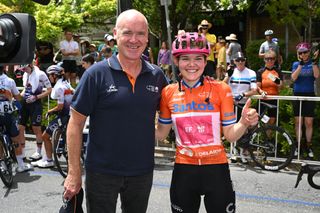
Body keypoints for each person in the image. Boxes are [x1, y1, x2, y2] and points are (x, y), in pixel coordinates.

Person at [63, 9, 168, 213]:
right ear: (115, 34)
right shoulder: (95, 74)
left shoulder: (157, 76)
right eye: (127, 33)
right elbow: (74, 125)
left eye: (140, 33)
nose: (134, 40)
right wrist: (74, 172)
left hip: (142, 171)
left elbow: (175, 112)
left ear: (147, 37)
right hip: (101, 172)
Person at [156, 32, 259, 213]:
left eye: (198, 58)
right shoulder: (168, 93)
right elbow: (161, 134)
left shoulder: (221, 89)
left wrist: (243, 122)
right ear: (176, 61)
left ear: (205, 61)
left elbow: (230, 135)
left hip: (216, 169)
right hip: (184, 169)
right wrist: (138, 119)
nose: (192, 64)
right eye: (185, 58)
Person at [31, 65, 74, 168]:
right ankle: (47, 156)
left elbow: (60, 106)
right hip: (69, 115)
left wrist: (49, 111)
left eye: (50, 75)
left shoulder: (59, 87)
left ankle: (49, 160)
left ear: (55, 75)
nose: (49, 78)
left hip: (64, 116)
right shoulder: (66, 83)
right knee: (56, 136)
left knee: (45, 136)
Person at [224, 52, 258, 163]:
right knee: (232, 127)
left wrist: (243, 94)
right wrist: (227, 76)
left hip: (243, 104)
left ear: (245, 60)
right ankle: (233, 152)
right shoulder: (231, 71)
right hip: (231, 104)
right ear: (234, 61)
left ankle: (243, 153)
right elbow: (221, 86)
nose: (240, 62)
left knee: (243, 129)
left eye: (242, 60)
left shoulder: (251, 73)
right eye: (238, 60)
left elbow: (254, 90)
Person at [0, 66, 33, 172]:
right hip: (7, 113)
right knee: (16, 139)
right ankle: (21, 165)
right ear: (3, 69)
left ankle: (2, 164)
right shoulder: (9, 80)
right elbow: (18, 98)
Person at [18, 62, 52, 161]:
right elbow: (25, 88)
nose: (24, 71)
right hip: (25, 103)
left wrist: (36, 97)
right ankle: (23, 152)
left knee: (36, 128)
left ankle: (38, 152)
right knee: (20, 128)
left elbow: (49, 90)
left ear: (30, 65)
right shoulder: (25, 74)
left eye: (25, 69)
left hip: (35, 104)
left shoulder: (40, 74)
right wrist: (18, 97)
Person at [291, 42, 319, 158]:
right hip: (298, 94)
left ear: (309, 52)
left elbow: (317, 75)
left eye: (305, 52)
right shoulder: (296, 64)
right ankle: (298, 145)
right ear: (299, 54)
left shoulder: (314, 63)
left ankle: (308, 145)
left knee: (308, 122)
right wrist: (300, 65)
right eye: (301, 53)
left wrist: (313, 63)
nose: (303, 54)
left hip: (309, 94)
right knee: (298, 122)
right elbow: (293, 78)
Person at [256, 50, 283, 126]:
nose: (270, 60)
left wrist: (274, 79)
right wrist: (261, 92)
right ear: (264, 59)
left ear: (275, 60)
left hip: (274, 99)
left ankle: (268, 137)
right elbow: (257, 87)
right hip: (263, 99)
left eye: (272, 58)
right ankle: (264, 128)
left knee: (272, 120)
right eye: (267, 58)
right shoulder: (260, 71)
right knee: (260, 117)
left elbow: (281, 86)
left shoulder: (278, 71)